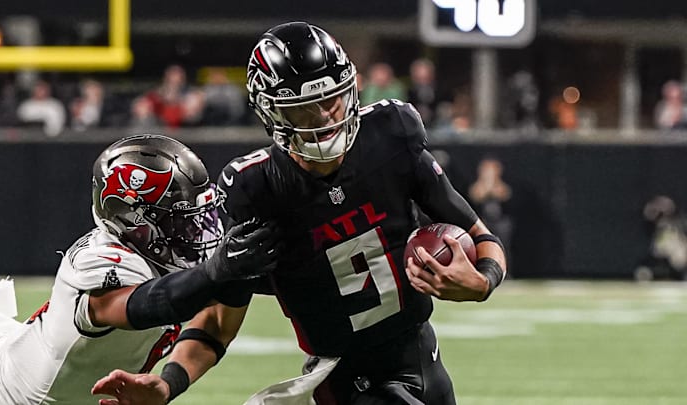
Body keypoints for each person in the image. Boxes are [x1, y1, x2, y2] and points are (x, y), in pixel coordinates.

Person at [93, 22, 507, 405]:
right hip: (345, 377)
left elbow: (482, 235)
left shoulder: (390, 135)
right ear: (272, 114)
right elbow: (220, 316)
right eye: (305, 109)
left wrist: (482, 280)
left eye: (333, 101)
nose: (325, 119)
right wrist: (168, 383)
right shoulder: (257, 189)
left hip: (422, 354)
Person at [0, 134, 280, 404]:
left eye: (198, 218)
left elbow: (215, 319)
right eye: (181, 221)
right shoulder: (98, 261)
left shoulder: (158, 258)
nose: (196, 232)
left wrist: (170, 383)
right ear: (136, 222)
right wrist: (220, 271)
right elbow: (148, 305)